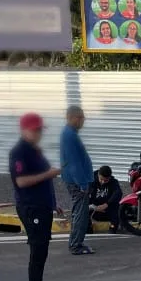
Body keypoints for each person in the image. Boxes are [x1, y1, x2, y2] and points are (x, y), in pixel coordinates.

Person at [9, 113, 64, 281]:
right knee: (37, 251)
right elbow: (21, 181)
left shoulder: (35, 151)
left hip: (42, 206)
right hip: (30, 207)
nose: (39, 134)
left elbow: (44, 181)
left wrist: (53, 202)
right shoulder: (19, 152)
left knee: (43, 250)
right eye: (35, 130)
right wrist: (48, 174)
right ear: (24, 130)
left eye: (40, 130)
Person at [60, 105, 94, 255]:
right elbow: (74, 163)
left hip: (76, 180)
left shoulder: (70, 134)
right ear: (72, 118)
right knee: (80, 213)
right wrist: (82, 183)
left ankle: (76, 242)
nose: (83, 121)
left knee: (79, 212)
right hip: (77, 182)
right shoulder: (69, 136)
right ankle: (76, 245)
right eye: (80, 117)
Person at [88, 166, 121, 234]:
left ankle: (113, 227)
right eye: (101, 179)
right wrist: (92, 206)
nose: (103, 182)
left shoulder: (113, 182)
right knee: (83, 208)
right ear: (98, 175)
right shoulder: (90, 179)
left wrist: (106, 204)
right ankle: (88, 227)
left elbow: (118, 193)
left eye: (106, 180)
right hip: (94, 208)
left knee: (115, 205)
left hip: (107, 209)